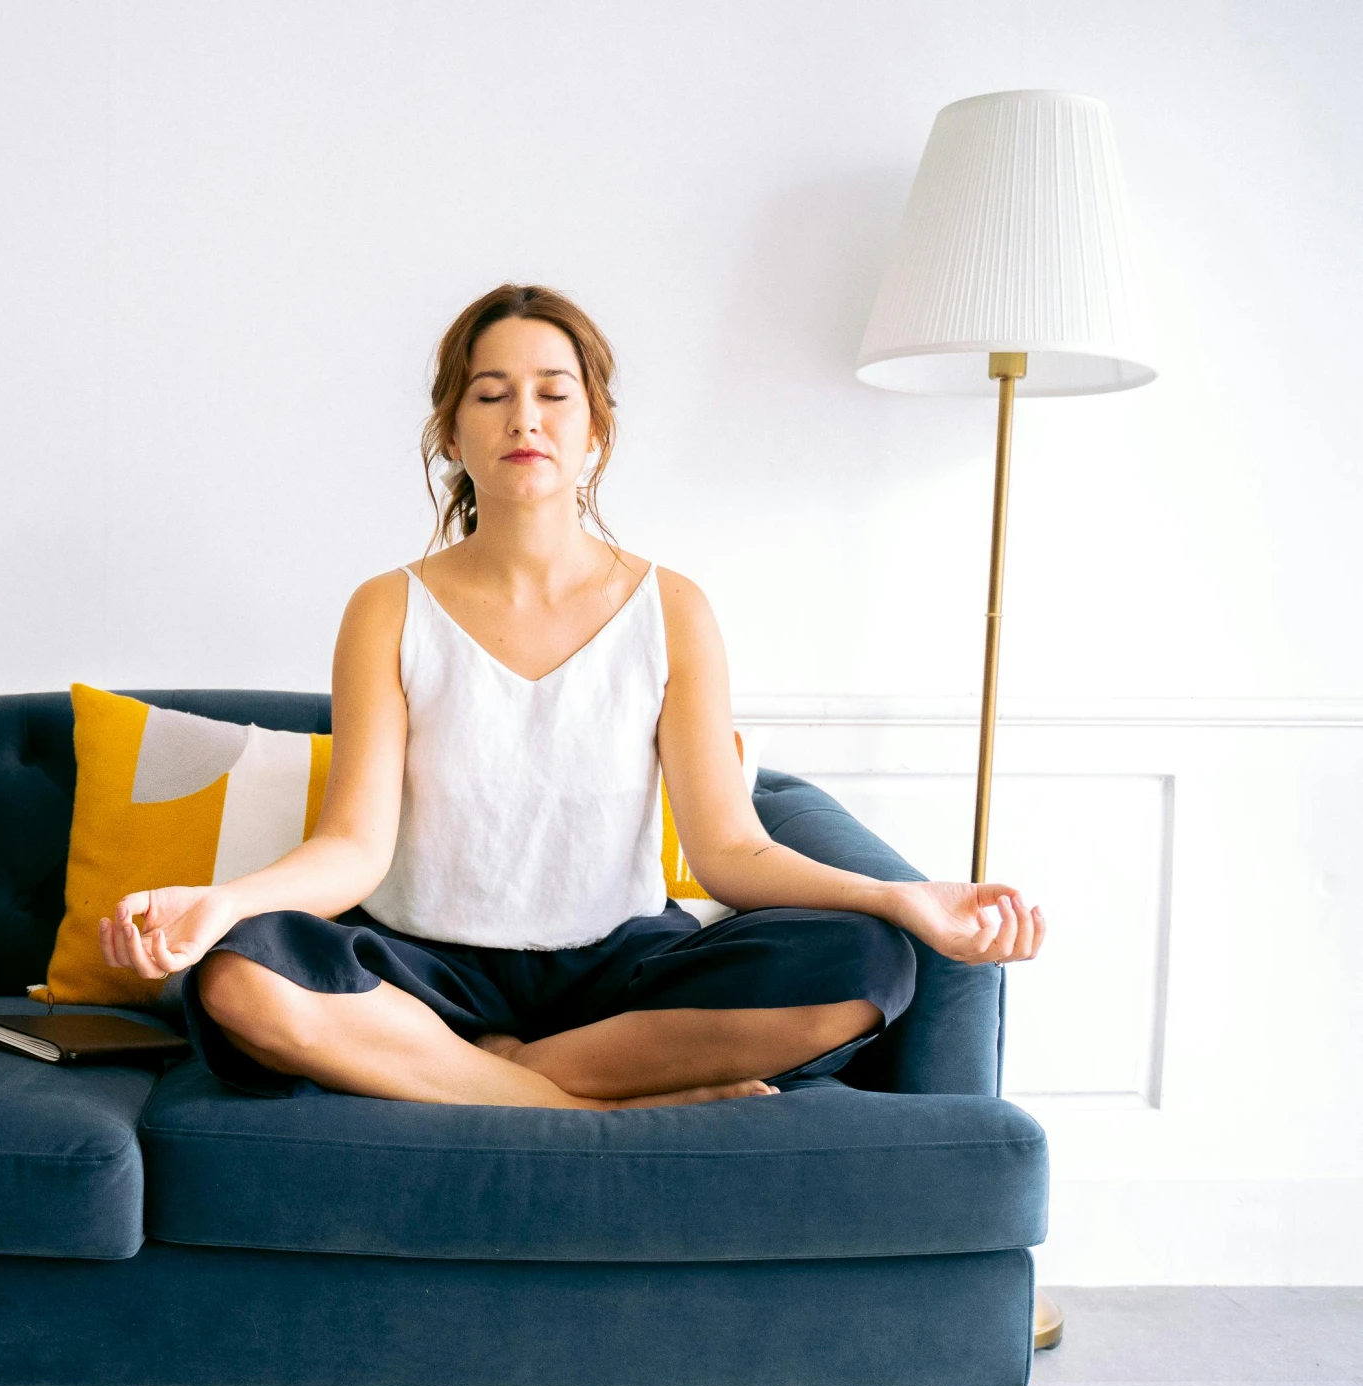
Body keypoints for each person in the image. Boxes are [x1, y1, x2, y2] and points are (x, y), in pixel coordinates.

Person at [99, 284, 1043, 1112]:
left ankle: (475, 1075)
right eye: (490, 394)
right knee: (237, 981)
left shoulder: (672, 608)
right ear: (450, 432)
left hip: (619, 970)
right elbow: (353, 848)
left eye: (555, 395)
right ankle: (578, 1107)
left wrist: (903, 897)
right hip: (428, 969)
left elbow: (730, 851)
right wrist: (220, 905)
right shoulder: (386, 607)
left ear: (595, 433)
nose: (525, 420)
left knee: (868, 963)